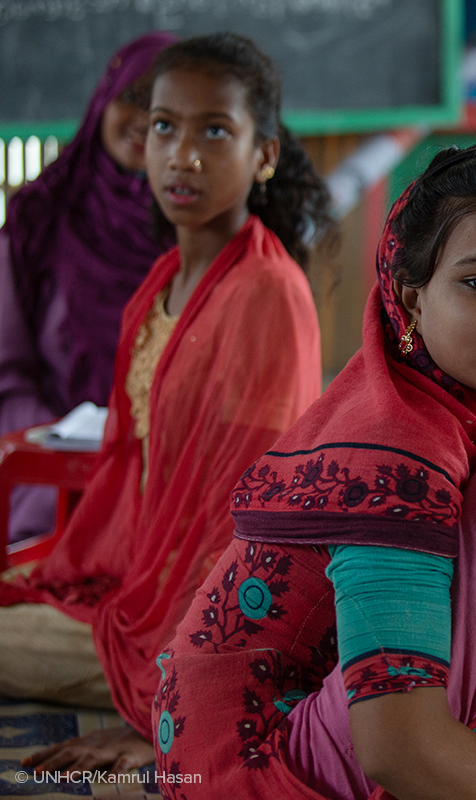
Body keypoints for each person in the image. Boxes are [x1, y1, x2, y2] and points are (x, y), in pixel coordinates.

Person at [151, 136, 476, 800]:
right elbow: (395, 746)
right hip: (260, 759)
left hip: (329, 725)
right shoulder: (394, 452)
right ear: (409, 299)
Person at [0, 32, 332, 774]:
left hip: (210, 622)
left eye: (215, 130)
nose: (182, 155)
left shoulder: (265, 295)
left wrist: (172, 703)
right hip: (142, 586)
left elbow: (249, 520)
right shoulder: (159, 288)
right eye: (163, 127)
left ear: (264, 155)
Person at [0, 31, 176, 541]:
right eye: (133, 99)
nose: (144, 121)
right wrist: (75, 457)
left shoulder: (198, 230)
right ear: (104, 100)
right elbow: (7, 374)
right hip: (49, 476)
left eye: (165, 114)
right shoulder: (39, 215)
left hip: (162, 480)